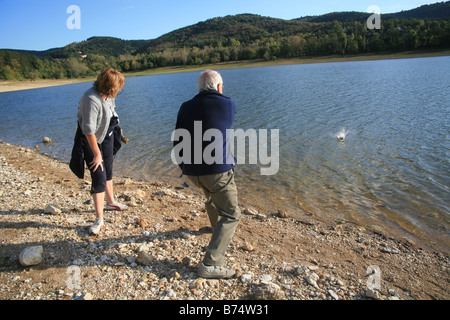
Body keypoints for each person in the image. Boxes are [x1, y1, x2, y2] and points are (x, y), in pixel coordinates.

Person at [174, 70, 241, 279]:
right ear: (219, 87)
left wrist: (185, 165)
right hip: (216, 171)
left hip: (192, 171)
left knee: (212, 196)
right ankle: (211, 264)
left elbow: (178, 139)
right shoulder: (227, 104)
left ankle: (215, 229)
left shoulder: (185, 106)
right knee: (232, 214)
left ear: (199, 88)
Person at [76, 67, 128, 235]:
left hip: (108, 136)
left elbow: (111, 112)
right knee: (99, 175)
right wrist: (96, 153)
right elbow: (88, 130)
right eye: (118, 87)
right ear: (109, 86)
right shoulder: (91, 98)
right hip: (92, 141)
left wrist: (118, 129)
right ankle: (99, 219)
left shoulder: (109, 96)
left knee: (109, 170)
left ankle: (111, 201)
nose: (119, 90)